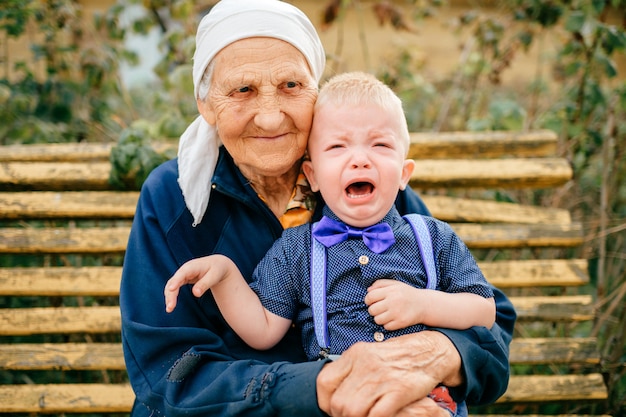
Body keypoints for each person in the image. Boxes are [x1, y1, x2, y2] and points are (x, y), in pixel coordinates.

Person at [119, 1, 517, 416]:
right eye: (243, 90)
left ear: (316, 91)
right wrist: (321, 388)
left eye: (291, 85)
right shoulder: (174, 198)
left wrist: (431, 354)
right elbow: (169, 373)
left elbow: (490, 322)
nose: (271, 118)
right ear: (206, 104)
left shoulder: (363, 185)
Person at [164, 71, 497, 417]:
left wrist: (424, 305)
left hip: (427, 397)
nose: (360, 159)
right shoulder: (297, 251)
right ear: (313, 176)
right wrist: (225, 275)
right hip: (343, 401)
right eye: (338, 147)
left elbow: (485, 310)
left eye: (380, 145)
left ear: (403, 173)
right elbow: (262, 331)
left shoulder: (434, 238)